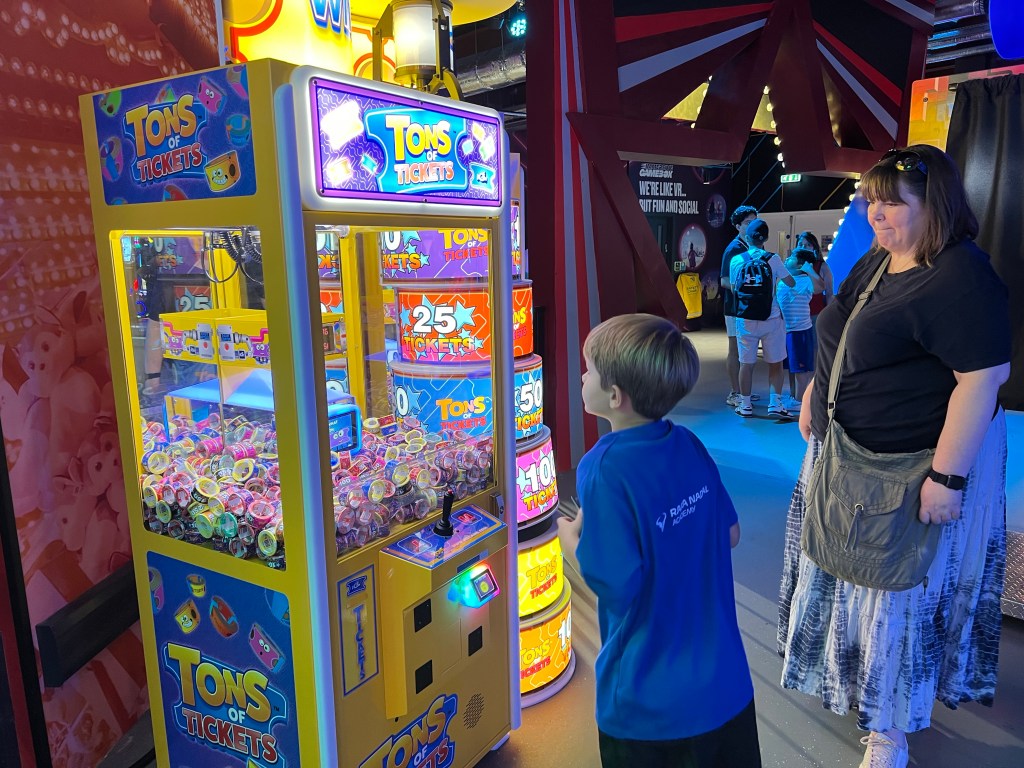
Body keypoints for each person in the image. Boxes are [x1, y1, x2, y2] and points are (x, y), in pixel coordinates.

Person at [777, 144, 1011, 768]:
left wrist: (946, 478)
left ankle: (890, 729)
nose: (876, 214)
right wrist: (816, 391)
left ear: (934, 205)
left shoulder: (962, 276)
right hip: (847, 455)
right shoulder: (882, 258)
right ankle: (859, 691)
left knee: (894, 594)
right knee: (850, 578)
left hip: (905, 471)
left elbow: (982, 380)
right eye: (871, 202)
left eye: (891, 203)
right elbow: (841, 329)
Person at [557, 313, 760, 768]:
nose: (583, 377)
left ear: (615, 396)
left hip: (649, 706)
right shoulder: (688, 443)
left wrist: (570, 540)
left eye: (588, 370)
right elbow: (730, 533)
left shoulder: (603, 468)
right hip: (726, 687)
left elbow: (617, 585)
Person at [729, 219, 795, 418]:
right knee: (775, 363)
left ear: (747, 238)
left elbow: (733, 288)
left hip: (745, 319)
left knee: (746, 364)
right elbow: (790, 283)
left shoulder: (737, 260)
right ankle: (775, 403)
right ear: (765, 238)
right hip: (771, 318)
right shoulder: (773, 259)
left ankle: (745, 405)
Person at [776, 247, 822, 412]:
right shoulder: (784, 279)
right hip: (786, 331)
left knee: (801, 369)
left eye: (792, 258)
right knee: (793, 367)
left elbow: (820, 288)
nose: (787, 258)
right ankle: (795, 396)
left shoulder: (806, 280)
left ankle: (799, 401)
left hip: (799, 331)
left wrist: (810, 270)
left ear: (800, 264)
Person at [720, 205, 758, 407]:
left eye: (754, 222)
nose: (751, 226)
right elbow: (724, 280)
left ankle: (744, 391)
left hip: (748, 308)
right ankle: (735, 392)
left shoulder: (751, 247)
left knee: (746, 351)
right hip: (735, 308)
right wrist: (744, 288)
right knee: (735, 349)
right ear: (738, 226)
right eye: (747, 223)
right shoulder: (734, 248)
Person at [797, 231, 834, 324]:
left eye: (808, 245)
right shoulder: (792, 266)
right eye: (800, 244)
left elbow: (829, 292)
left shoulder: (822, 266)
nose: (803, 247)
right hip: (795, 316)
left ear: (814, 248)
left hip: (815, 314)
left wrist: (829, 315)